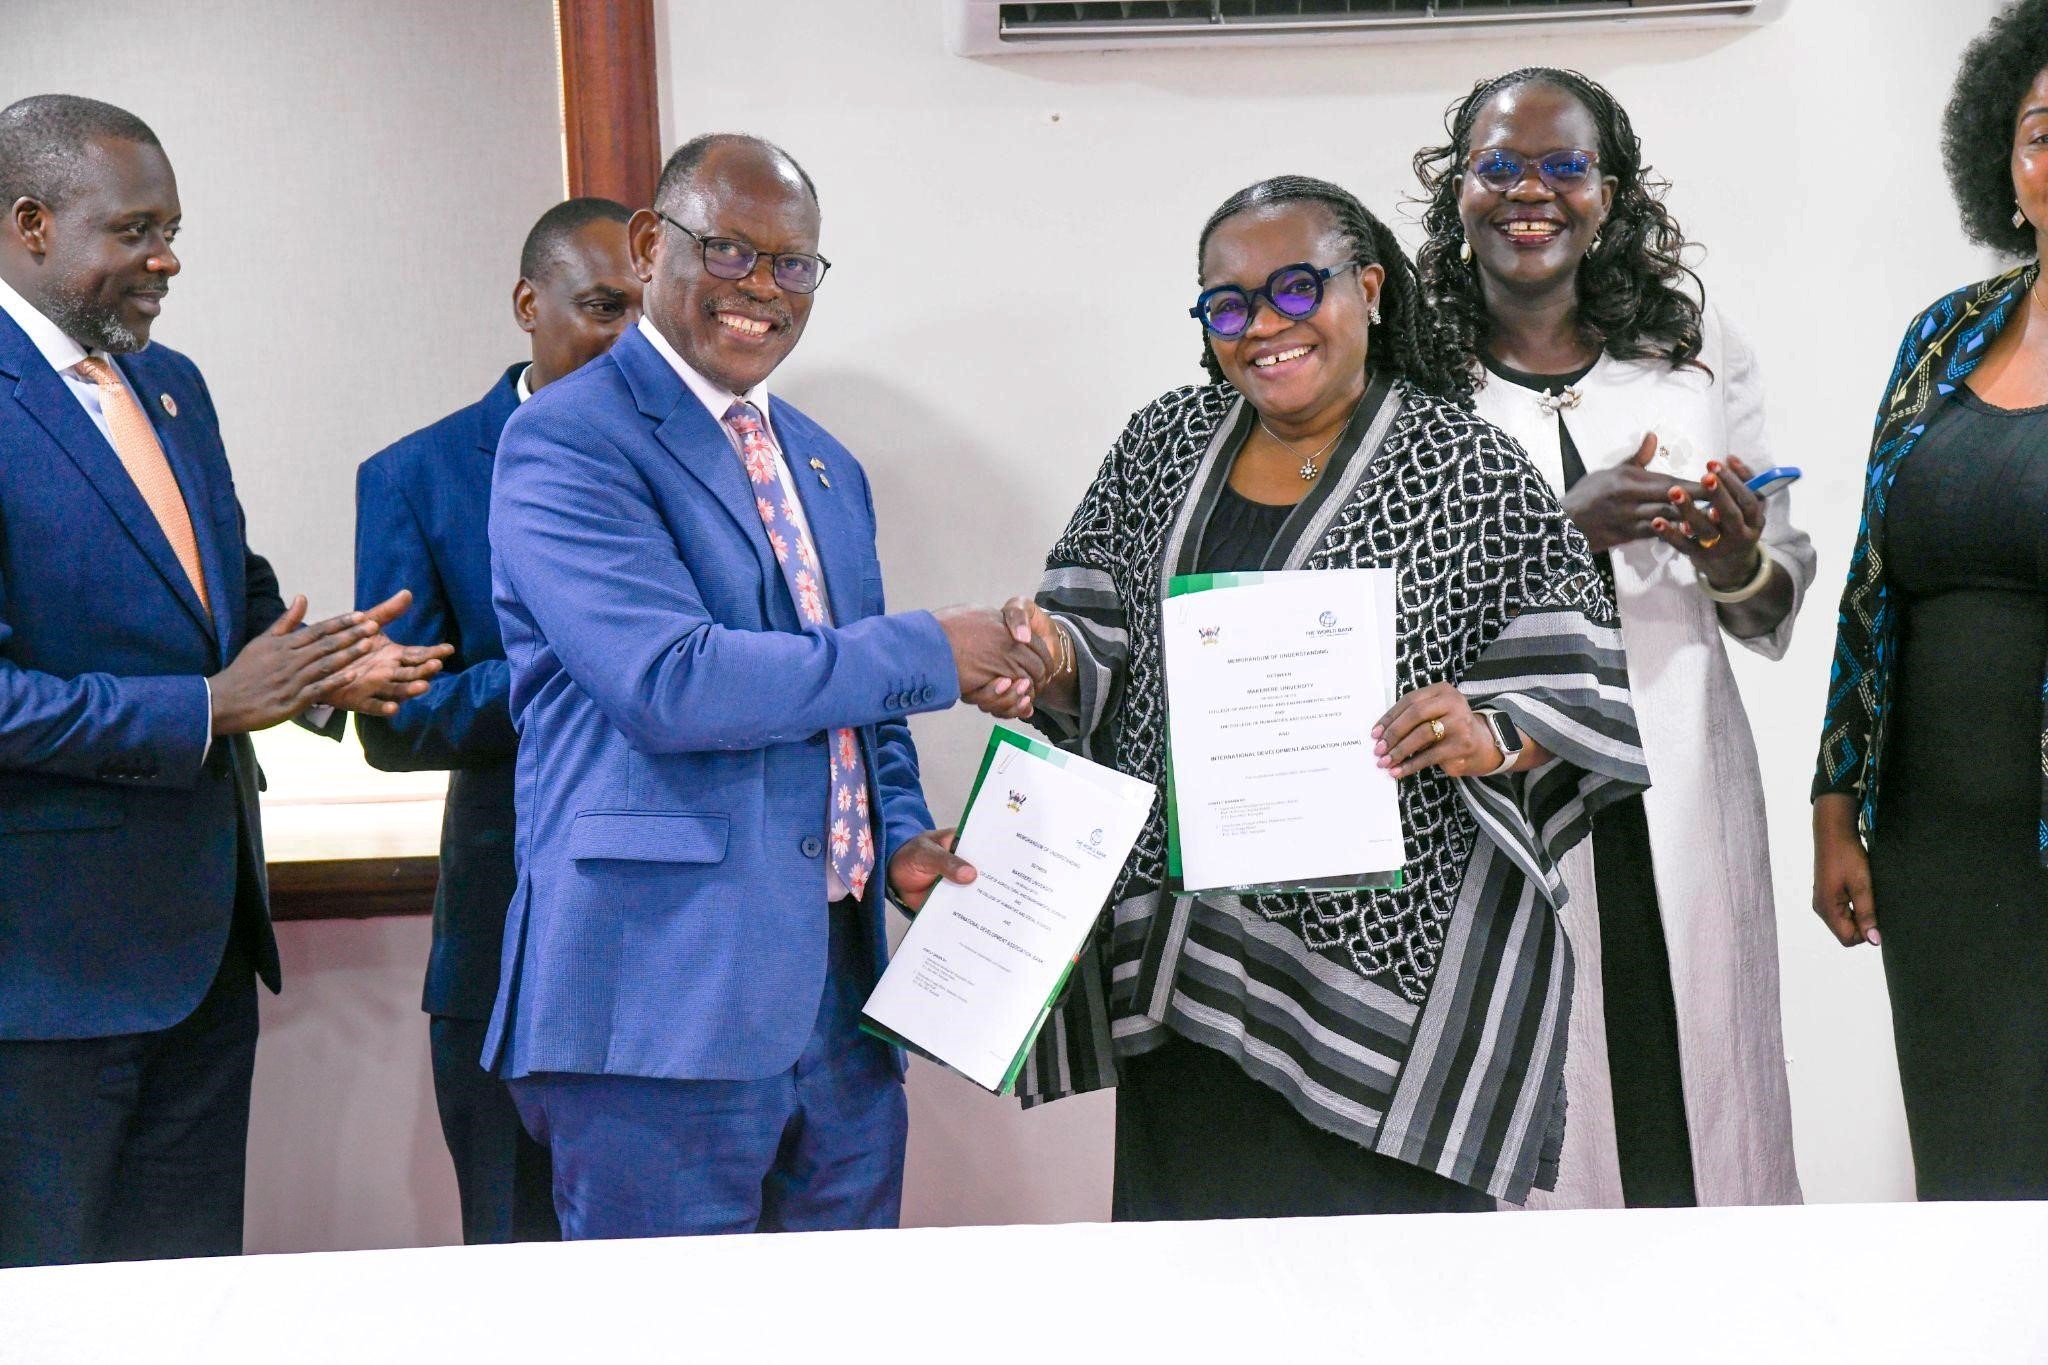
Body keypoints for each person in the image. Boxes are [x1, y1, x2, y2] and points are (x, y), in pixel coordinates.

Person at [979, 175, 1648, 1216]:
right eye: (1229, 304)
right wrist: (1039, 652)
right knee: (1201, 1292)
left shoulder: (1462, 465)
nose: (1264, 327)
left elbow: (1572, 674)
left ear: (1369, 288)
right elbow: (1090, 632)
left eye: (1297, 288)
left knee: (1386, 1302)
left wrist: (1488, 730)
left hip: (1386, 982)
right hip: (1185, 962)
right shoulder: (1162, 444)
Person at [484, 133, 1045, 1239]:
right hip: (659, 1003)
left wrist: (900, 839)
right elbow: (671, 682)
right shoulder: (566, 442)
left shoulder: (824, 462)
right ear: (651, 246)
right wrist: (934, 648)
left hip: (837, 1005)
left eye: (793, 266)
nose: (761, 290)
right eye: (729, 251)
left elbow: (860, 708)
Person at [0, 95, 446, 1268]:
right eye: (136, 231)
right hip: (41, 980)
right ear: (30, 221)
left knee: (188, 1293)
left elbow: (224, 594)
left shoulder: (171, 383)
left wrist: (326, 668)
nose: (167, 259)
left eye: (173, 227)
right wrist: (208, 709)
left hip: (202, 949)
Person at [1413, 67, 1814, 1210]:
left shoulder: (1688, 355)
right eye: (1498, 166)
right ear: (1458, 192)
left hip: (1676, 787)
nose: (1528, 192)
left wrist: (1731, 553)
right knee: (1547, 1132)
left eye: (1564, 166)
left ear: (1609, 191)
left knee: (1698, 1109)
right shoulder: (1412, 384)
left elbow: (1770, 600)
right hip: (1505, 800)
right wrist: (1556, 527)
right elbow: (1386, 611)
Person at [354, 197, 640, 1245]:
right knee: (517, 1272)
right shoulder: (415, 476)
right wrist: (580, 665)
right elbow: (399, 720)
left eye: (647, 315)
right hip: (506, 937)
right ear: (529, 304)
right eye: (603, 306)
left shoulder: (721, 462)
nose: (627, 340)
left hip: (684, 949)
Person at [1814, 0, 2048, 1201]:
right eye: (2042, 132)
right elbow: (1868, 584)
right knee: (1972, 1175)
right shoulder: (1940, 338)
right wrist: (1833, 801)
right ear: (2004, 169)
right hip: (1936, 852)